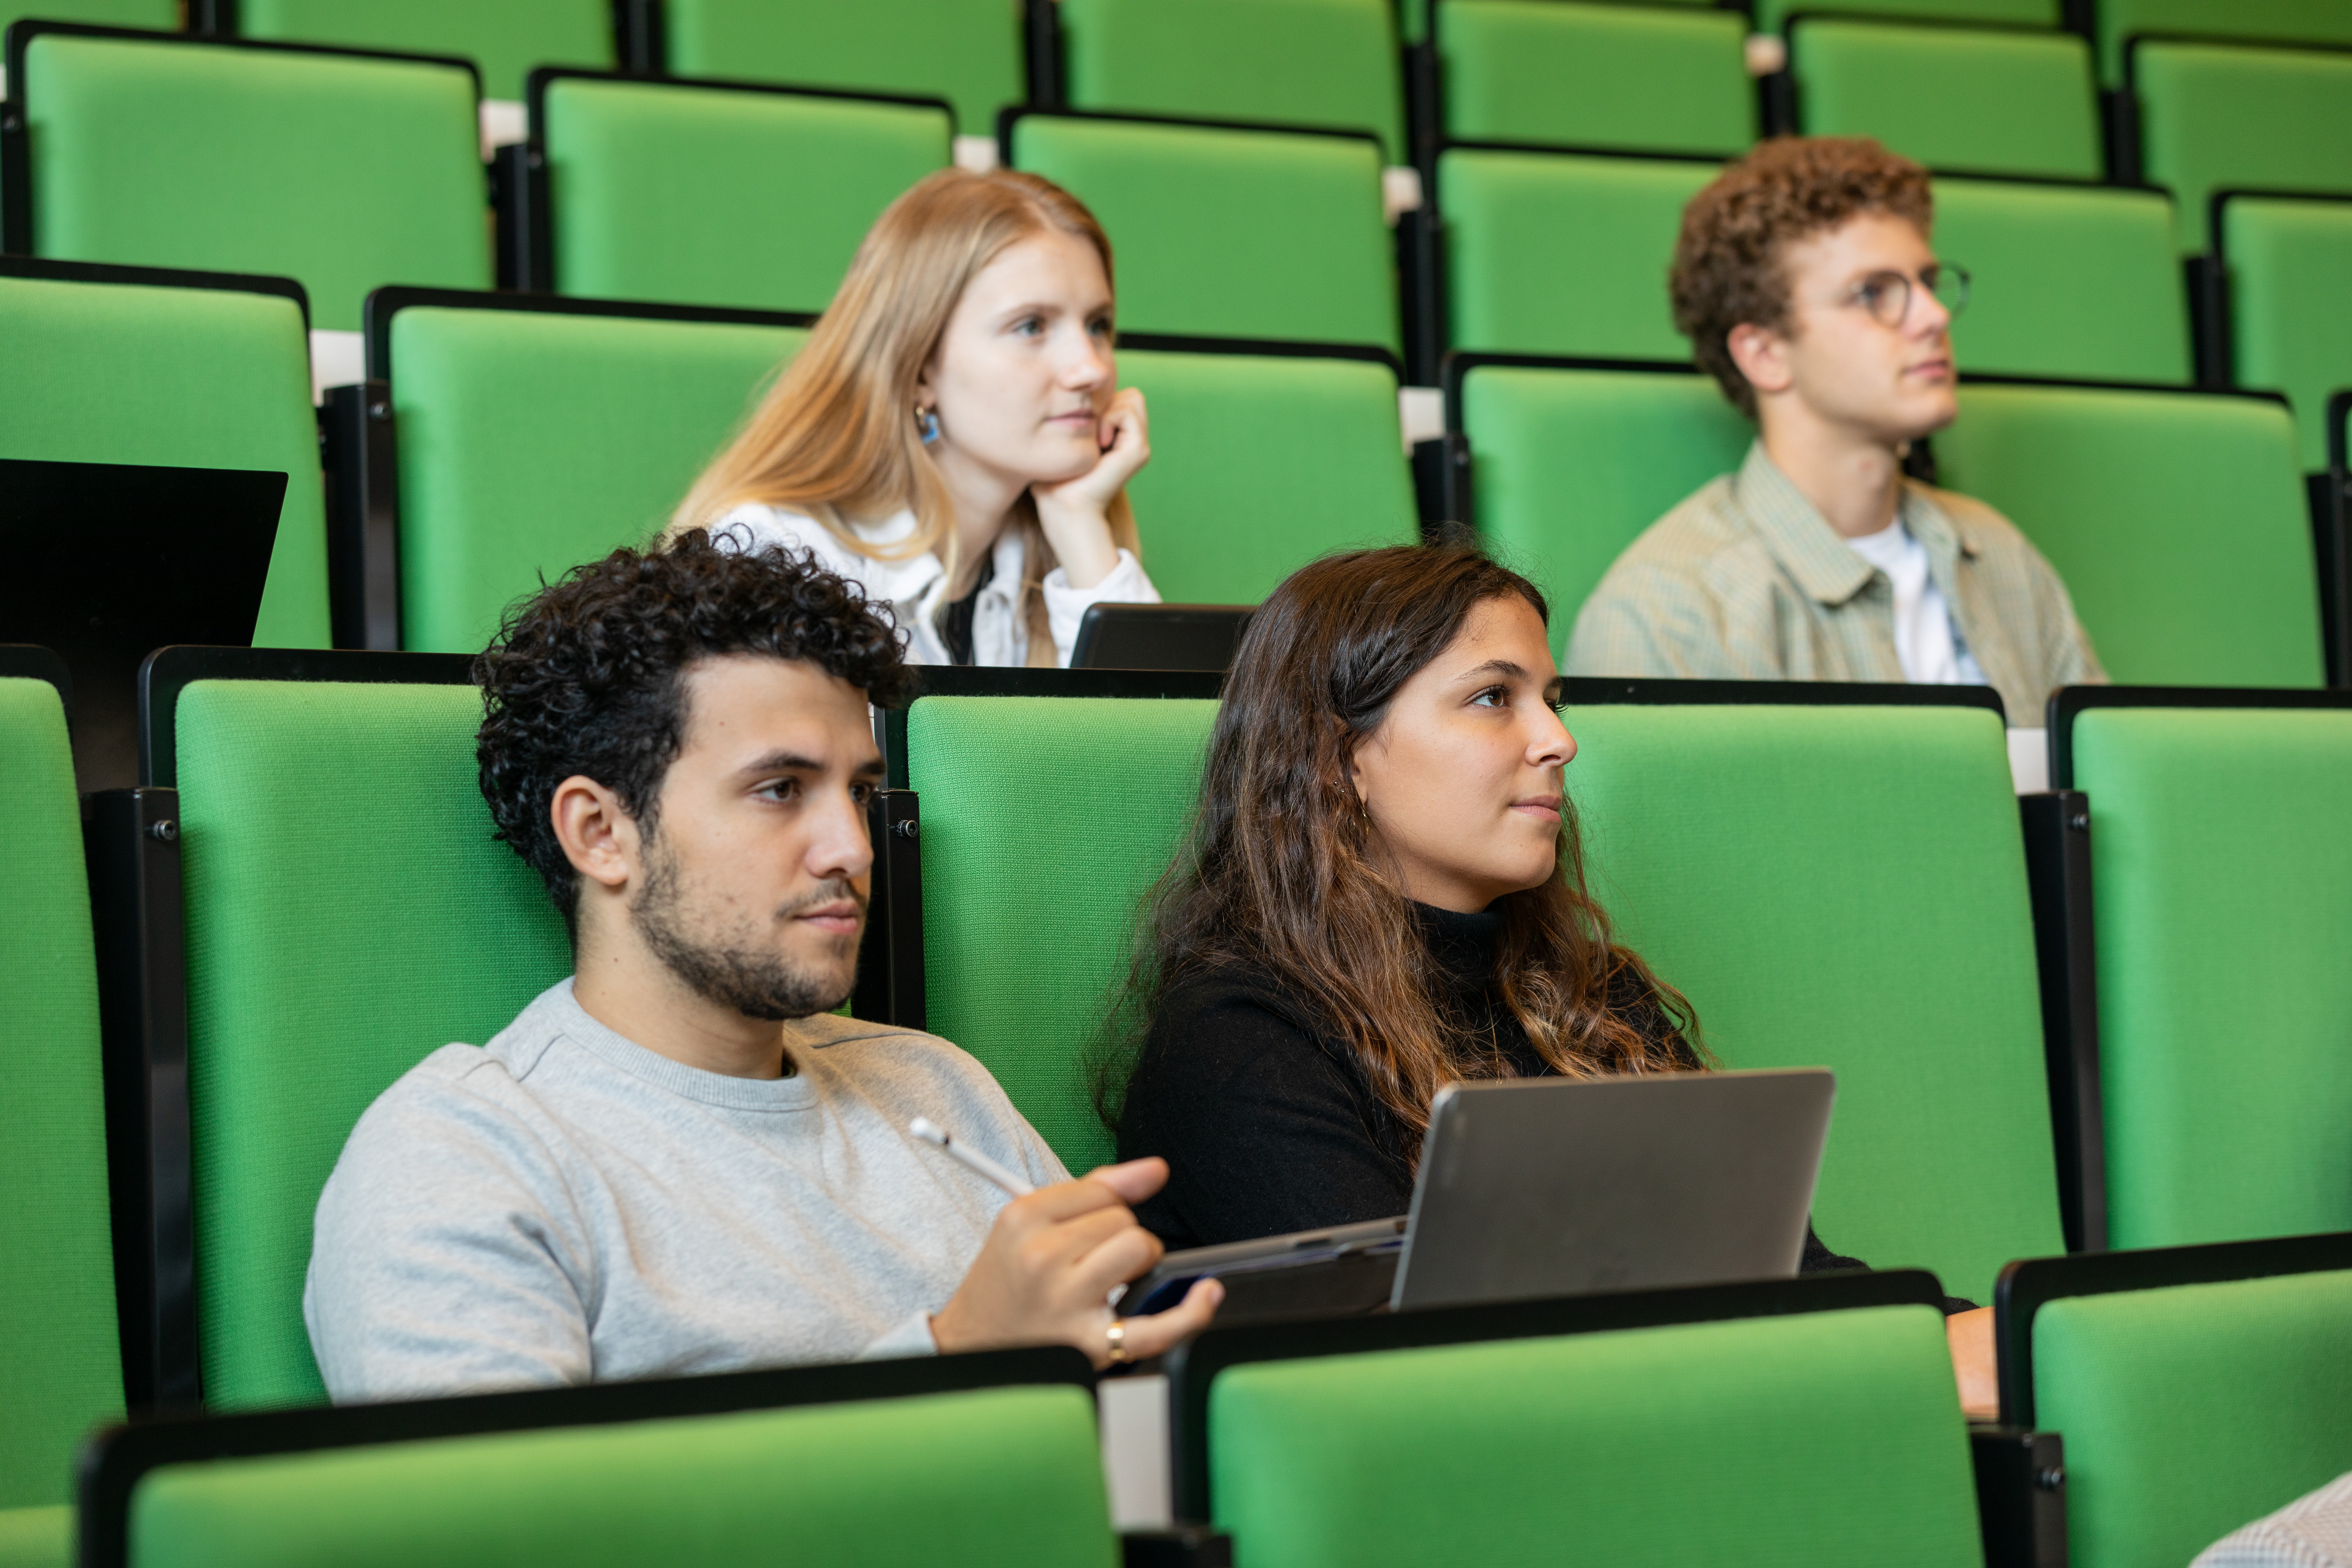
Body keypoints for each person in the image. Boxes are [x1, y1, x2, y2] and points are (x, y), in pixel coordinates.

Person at [303, 535, 1218, 1402]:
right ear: (601, 833)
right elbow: (506, 1539)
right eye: (780, 790)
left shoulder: (937, 1089)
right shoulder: (463, 1159)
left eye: (857, 792)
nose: (852, 848)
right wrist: (951, 1358)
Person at [1111, 545, 1998, 1417]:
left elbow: (1784, 1277)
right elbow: (1420, 1382)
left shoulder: (1589, 995)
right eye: (1494, 697)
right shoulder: (1240, 1041)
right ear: (1339, 758)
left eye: (1553, 699)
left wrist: (1964, 1337)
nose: (1559, 740)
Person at [1566, 136, 2104, 724]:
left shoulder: (2001, 555)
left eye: (1927, 282)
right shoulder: (1666, 611)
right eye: (1874, 293)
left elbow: (2098, 792)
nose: (1934, 316)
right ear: (1766, 354)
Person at [666, 168, 1158, 669]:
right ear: (919, 368)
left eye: (1098, 326)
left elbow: (1161, 742)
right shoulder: (779, 555)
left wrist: (1080, 522)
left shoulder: (1049, 550)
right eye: (1031, 326)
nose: (1092, 368)